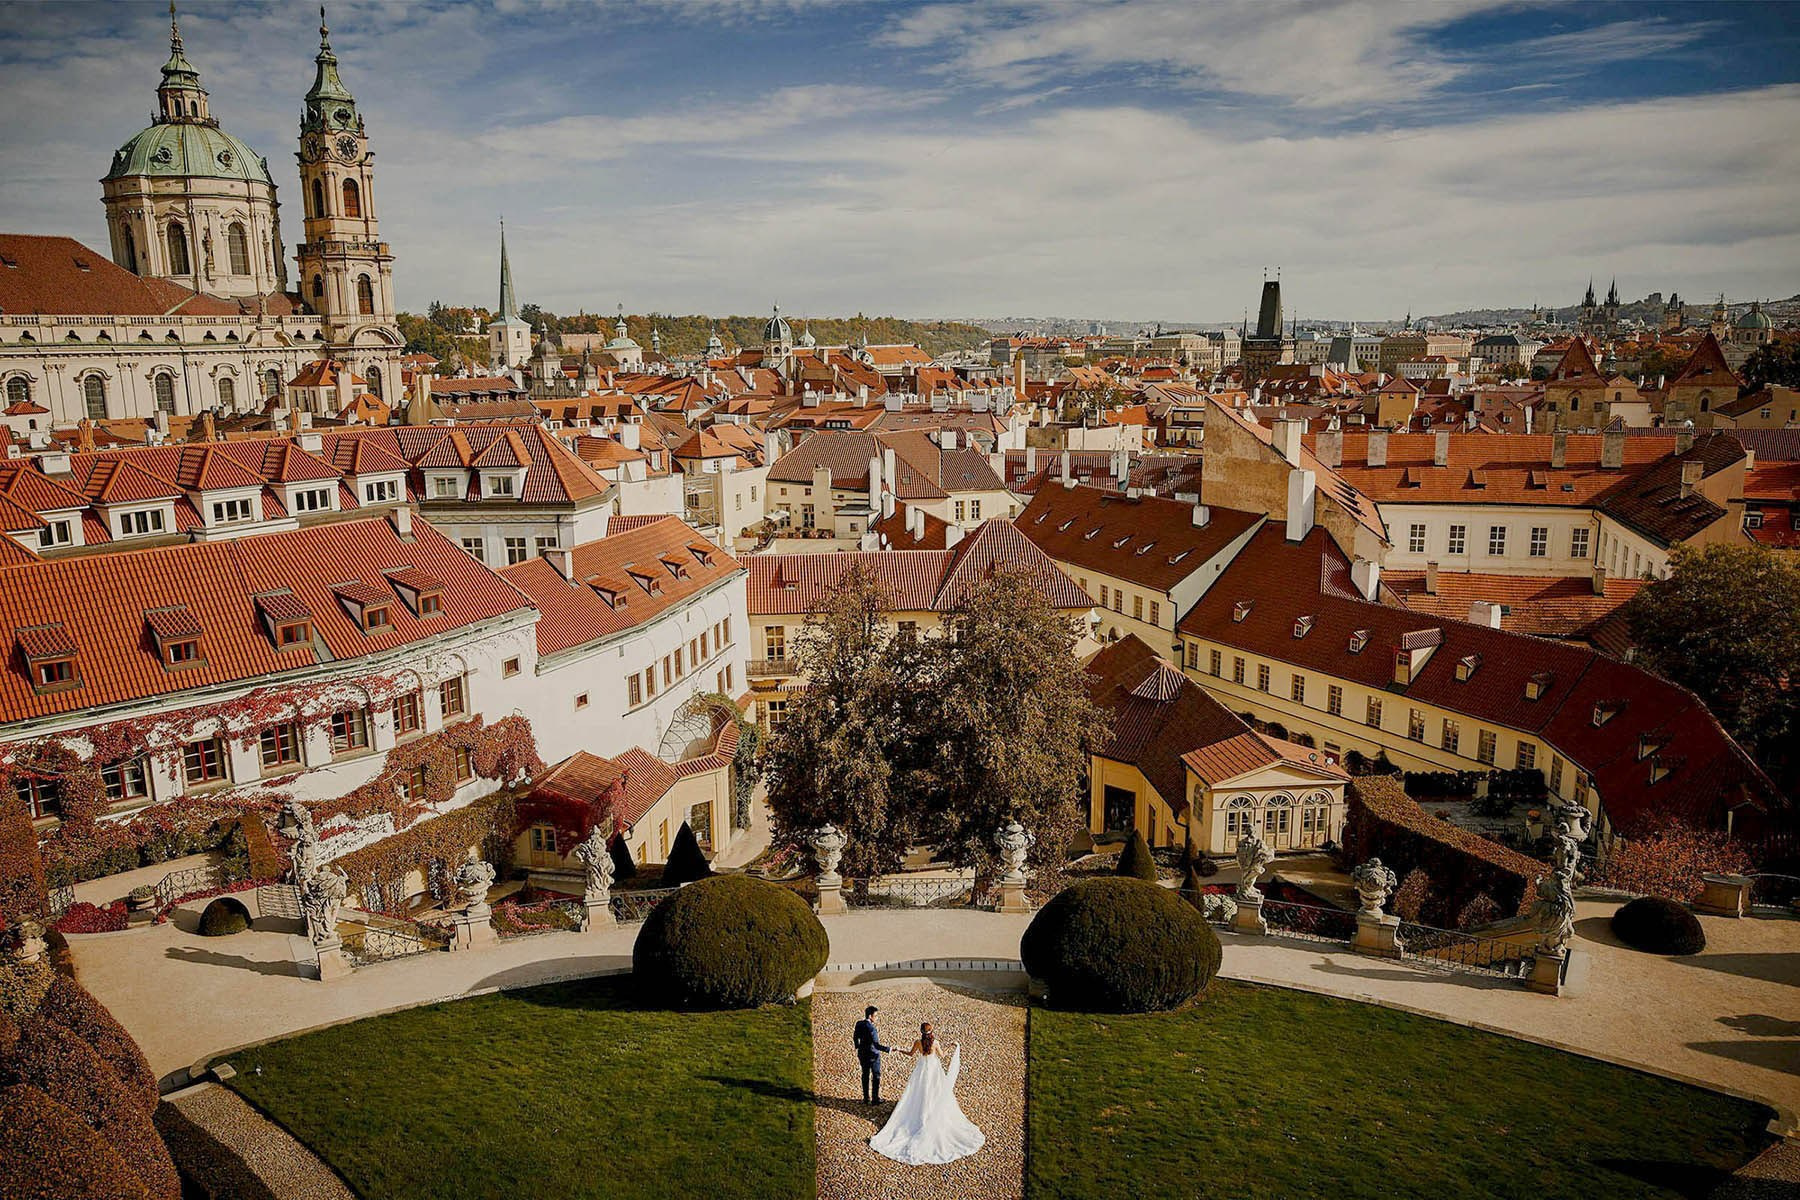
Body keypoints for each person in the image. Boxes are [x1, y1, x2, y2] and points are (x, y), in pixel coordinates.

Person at [868, 1020, 985, 1165]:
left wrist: (899, 1049)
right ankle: (931, 1113)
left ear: (921, 1032)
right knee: (935, 1091)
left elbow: (910, 1054)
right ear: (931, 1031)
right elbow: (942, 1055)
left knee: (919, 1092)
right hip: (934, 1070)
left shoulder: (918, 1042)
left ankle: (920, 1113)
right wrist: (951, 1046)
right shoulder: (935, 1043)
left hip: (922, 1070)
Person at [852, 1005, 892, 1104]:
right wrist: (888, 1049)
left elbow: (855, 1037)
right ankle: (875, 1098)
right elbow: (876, 1045)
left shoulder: (859, 1024)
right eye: (876, 1016)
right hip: (873, 1055)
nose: (877, 1018)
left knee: (865, 1075)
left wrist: (858, 1046)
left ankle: (866, 1098)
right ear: (870, 1016)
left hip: (862, 1053)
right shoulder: (872, 1029)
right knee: (876, 1076)